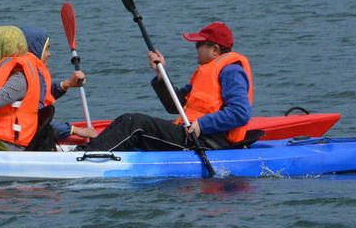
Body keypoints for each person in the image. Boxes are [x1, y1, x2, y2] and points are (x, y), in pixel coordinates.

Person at [72, 21, 253, 152]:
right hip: (191, 133)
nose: (195, 48)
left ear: (215, 49)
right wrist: (161, 74)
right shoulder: (204, 73)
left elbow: (240, 113)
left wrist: (203, 124)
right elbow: (174, 106)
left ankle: (86, 157)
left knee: (135, 123)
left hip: (210, 140)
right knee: (125, 119)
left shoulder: (231, 71)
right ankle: (85, 151)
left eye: (199, 44)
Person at [19, 26, 85, 150]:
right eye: (47, 48)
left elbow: (41, 95)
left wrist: (66, 84)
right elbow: (37, 121)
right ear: (35, 49)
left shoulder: (25, 72)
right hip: (26, 143)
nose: (49, 54)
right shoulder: (25, 77)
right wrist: (74, 130)